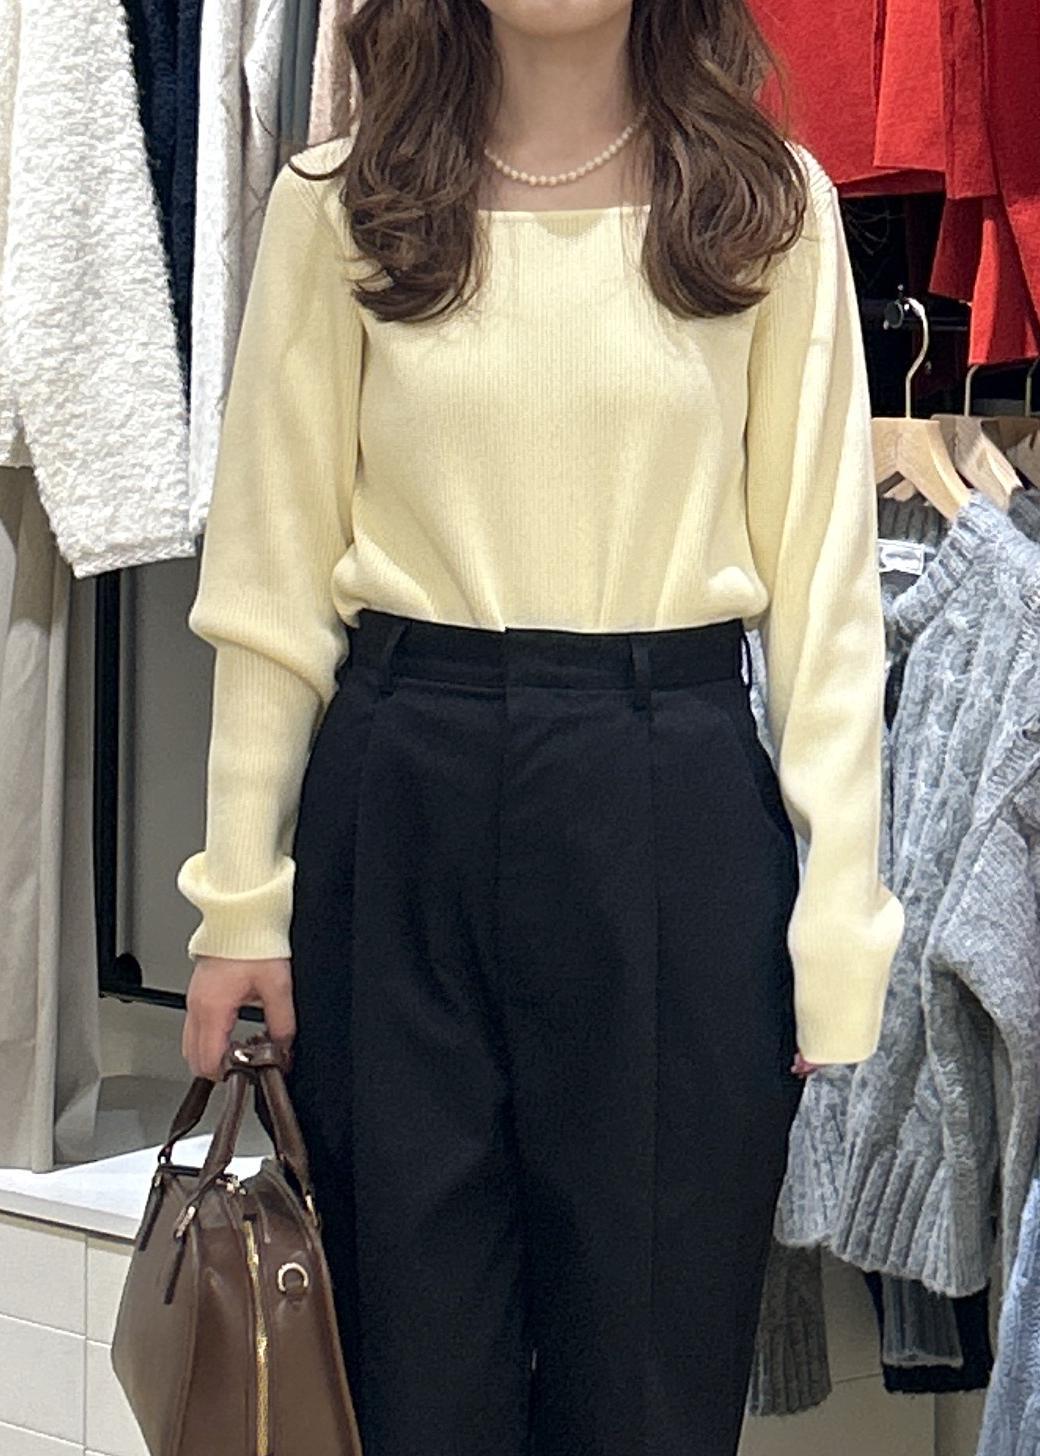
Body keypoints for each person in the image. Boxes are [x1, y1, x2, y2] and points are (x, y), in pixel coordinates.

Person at [176, 2, 904, 1452]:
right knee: (406, 1383)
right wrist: (237, 901)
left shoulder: (766, 211)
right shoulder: (342, 208)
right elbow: (269, 582)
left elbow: (827, 607)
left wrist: (841, 918)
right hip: (403, 793)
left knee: (649, 1388)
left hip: (671, 797)